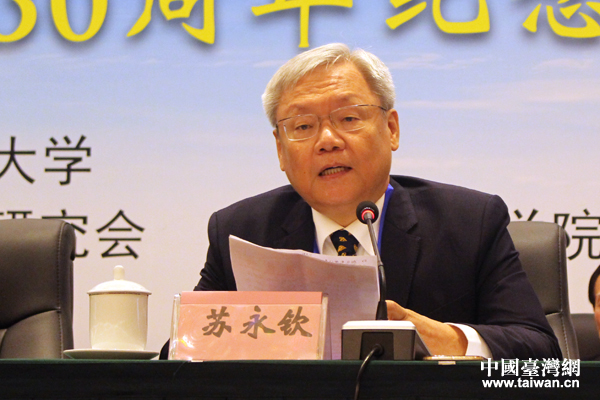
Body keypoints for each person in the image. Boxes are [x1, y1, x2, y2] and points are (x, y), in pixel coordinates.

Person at [189, 43, 561, 360]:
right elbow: (182, 351)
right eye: (303, 126)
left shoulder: (469, 223)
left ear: (391, 129)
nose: (327, 140)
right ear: (280, 150)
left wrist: (443, 338)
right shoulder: (240, 232)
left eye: (349, 118)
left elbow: (542, 354)